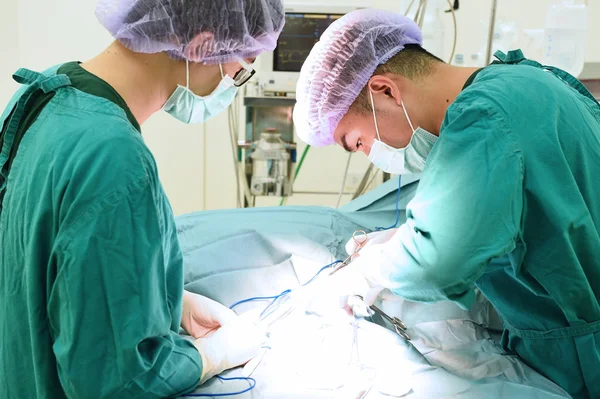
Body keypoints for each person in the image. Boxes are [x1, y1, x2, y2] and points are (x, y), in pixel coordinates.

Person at [293, 8, 600, 399]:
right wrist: (404, 238)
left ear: (384, 89)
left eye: (356, 141)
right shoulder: (526, 79)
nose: (370, 153)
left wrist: (372, 270)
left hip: (583, 360)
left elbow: (435, 264)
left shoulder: (483, 121)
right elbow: (533, 210)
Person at [0, 0, 284, 397]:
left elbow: (40, 260)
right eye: (243, 63)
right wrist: (211, 355)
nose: (236, 79)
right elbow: (117, 382)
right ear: (202, 47)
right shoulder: (115, 158)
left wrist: (168, 299)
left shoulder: (43, 94)